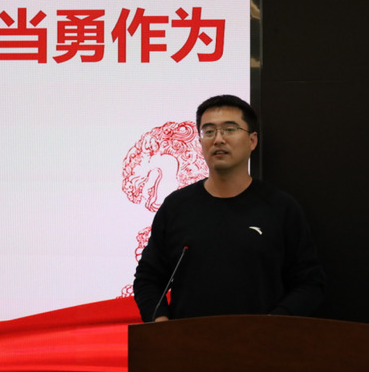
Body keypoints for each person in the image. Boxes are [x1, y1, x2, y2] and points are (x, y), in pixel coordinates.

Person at [133, 94, 325, 323]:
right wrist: (160, 323)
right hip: (187, 342)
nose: (218, 139)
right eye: (209, 131)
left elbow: (310, 283)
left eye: (230, 130)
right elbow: (148, 278)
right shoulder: (176, 206)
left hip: (260, 340)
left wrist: (275, 323)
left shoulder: (281, 208)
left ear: (252, 141)